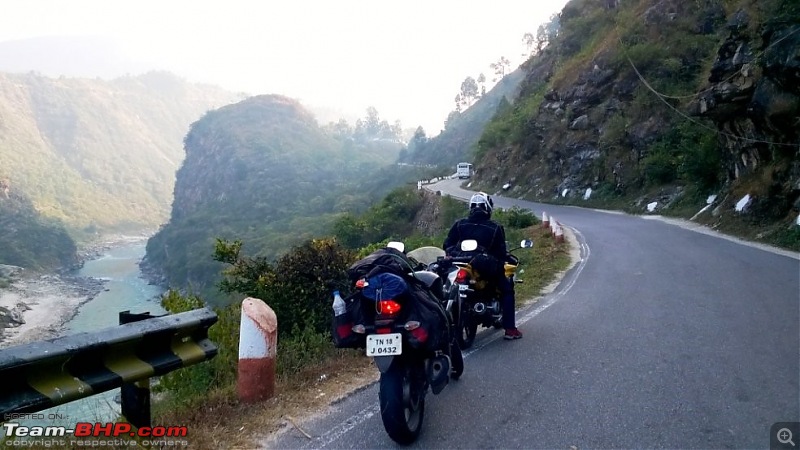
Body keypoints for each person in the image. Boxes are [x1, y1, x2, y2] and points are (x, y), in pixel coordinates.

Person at [442, 192, 523, 340]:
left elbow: (447, 244)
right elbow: (500, 252)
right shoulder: (495, 227)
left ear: (471, 208)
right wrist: (504, 259)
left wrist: (453, 254)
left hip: (459, 262)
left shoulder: (460, 224)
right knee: (507, 289)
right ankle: (510, 329)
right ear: (488, 207)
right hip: (484, 266)